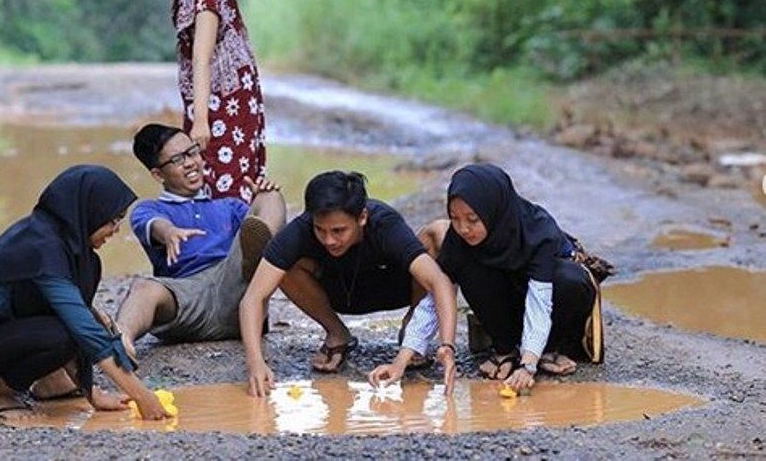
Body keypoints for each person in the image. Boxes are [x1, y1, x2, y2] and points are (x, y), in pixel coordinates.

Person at [0, 165, 170, 420]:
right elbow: (82, 329)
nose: (116, 229)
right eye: (112, 220)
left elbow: (79, 318)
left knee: (69, 328)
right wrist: (142, 396)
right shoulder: (40, 246)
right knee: (63, 333)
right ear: (89, 212)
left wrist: (92, 394)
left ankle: (49, 383)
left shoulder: (78, 255)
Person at [368, 163, 606, 394]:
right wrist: (401, 360)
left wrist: (528, 365)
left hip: (546, 308)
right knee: (471, 268)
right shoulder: (457, 240)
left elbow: (539, 303)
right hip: (505, 311)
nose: (463, 229)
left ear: (494, 210)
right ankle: (504, 349)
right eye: (455, 218)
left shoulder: (537, 230)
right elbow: (434, 301)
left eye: (472, 219)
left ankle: (549, 349)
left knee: (569, 279)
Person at [240, 170, 458, 397]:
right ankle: (337, 334)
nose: (329, 240)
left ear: (362, 217)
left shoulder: (384, 223)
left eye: (338, 231)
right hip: (336, 293)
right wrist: (255, 363)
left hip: (394, 289)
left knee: (438, 235)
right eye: (320, 230)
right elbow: (252, 299)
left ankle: (413, 333)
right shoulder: (299, 230)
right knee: (281, 267)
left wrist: (447, 346)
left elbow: (438, 282)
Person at [114, 123, 285, 352]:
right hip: (187, 297)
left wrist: (262, 199)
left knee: (269, 195)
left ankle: (260, 265)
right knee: (144, 288)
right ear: (157, 174)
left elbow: (251, 229)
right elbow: (154, 225)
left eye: (192, 152)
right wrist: (169, 232)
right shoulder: (149, 209)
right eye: (177, 160)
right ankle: (120, 343)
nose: (190, 163)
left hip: (236, 291)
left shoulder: (230, 206)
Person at [154, 0, 266, 203]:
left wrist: (201, 120)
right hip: (208, 94)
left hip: (226, 95)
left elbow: (201, 60)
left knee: (225, 169)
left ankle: (239, 239)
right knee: (209, 170)